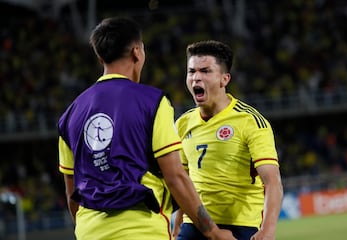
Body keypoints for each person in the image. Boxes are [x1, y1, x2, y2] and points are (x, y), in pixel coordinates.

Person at [57, 17, 236, 240]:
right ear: (137, 52)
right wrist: (214, 233)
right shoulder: (151, 102)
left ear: (100, 57)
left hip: (88, 231)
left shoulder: (70, 115)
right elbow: (175, 178)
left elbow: (72, 192)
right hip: (141, 230)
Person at [173, 40, 284, 240]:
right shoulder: (182, 124)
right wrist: (178, 221)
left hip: (240, 227)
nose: (196, 77)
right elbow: (183, 180)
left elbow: (272, 181)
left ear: (224, 79)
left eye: (205, 71)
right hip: (196, 224)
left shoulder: (250, 121)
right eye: (191, 72)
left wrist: (268, 230)